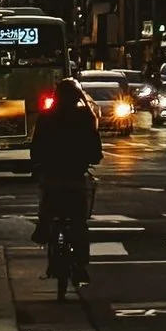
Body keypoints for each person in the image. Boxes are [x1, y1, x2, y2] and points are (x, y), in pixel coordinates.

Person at [29, 82, 102, 296]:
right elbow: (96, 152)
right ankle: (79, 265)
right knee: (78, 222)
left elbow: (36, 147)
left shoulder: (46, 118)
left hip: (51, 176)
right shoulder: (86, 118)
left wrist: (38, 164)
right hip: (74, 177)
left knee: (49, 209)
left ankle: (44, 231)